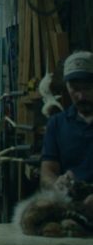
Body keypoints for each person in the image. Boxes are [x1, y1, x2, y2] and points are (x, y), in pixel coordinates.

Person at [40, 50, 93, 191]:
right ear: (67, 87)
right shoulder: (56, 124)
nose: (81, 96)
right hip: (71, 199)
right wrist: (56, 183)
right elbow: (47, 172)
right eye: (75, 89)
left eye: (87, 88)